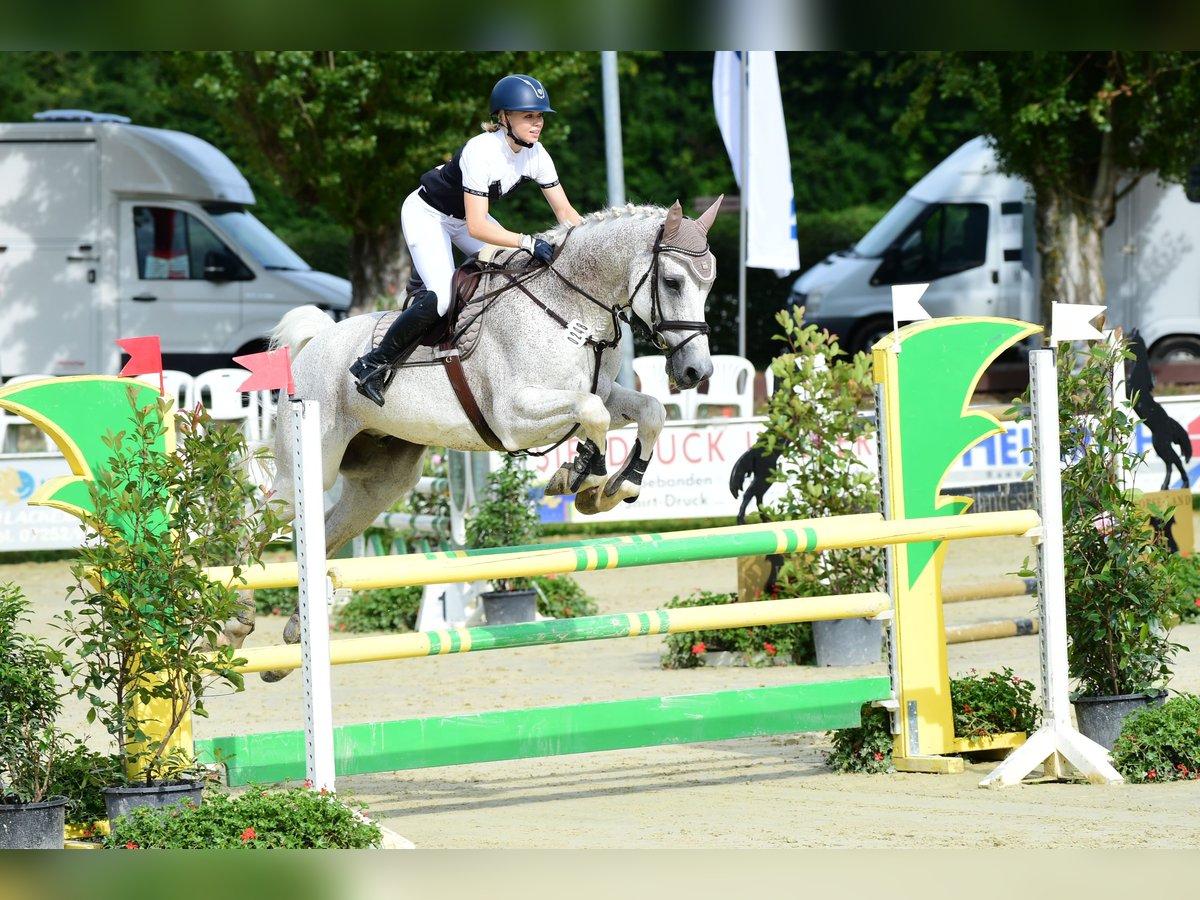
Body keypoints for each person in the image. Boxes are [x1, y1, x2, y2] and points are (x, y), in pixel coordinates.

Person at [350, 73, 583, 406]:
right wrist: (526, 240)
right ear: (504, 118)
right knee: (443, 298)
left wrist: (588, 241)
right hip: (427, 214)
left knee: (518, 266)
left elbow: (565, 211)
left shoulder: (537, 155)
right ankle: (372, 364)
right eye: (529, 115)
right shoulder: (481, 151)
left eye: (540, 116)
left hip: (460, 219)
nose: (538, 123)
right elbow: (477, 227)